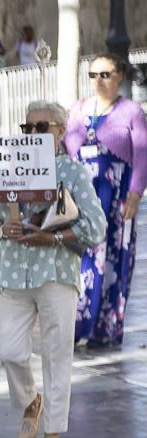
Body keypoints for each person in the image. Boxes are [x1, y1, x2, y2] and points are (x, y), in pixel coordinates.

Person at [0, 102, 106, 438]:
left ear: (60, 131)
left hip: (56, 272)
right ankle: (31, 400)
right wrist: (3, 228)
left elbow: (96, 227)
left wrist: (55, 237)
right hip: (13, 273)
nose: (33, 134)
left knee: (57, 351)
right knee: (9, 350)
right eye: (27, 128)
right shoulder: (5, 169)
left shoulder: (73, 173)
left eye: (41, 127)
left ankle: (53, 431)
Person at [65, 53, 147, 348]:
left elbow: (142, 157)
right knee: (81, 259)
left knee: (113, 261)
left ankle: (105, 328)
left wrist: (135, 195)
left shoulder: (131, 112)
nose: (98, 81)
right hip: (82, 200)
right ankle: (76, 325)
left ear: (119, 76)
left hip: (116, 199)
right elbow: (66, 150)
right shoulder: (77, 110)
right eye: (92, 75)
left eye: (105, 74)